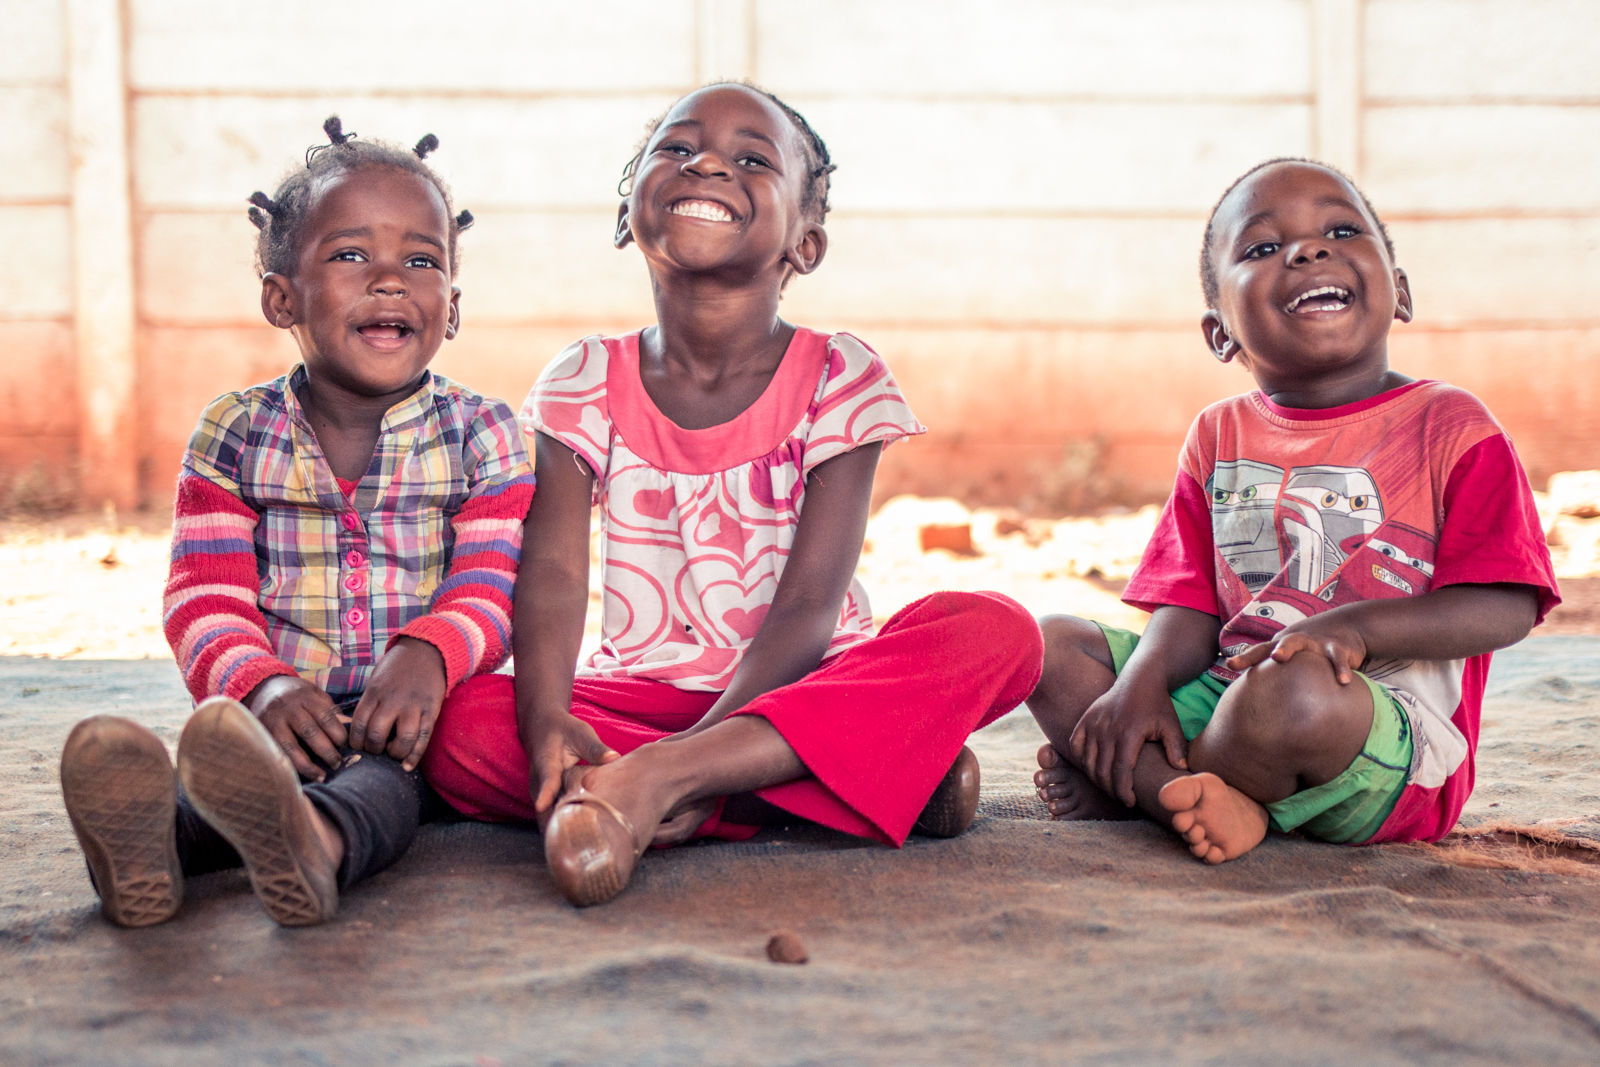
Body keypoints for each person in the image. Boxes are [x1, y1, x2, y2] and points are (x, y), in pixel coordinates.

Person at [420, 83, 1043, 906]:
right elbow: (558, 576)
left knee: (998, 631)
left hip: (807, 678)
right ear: (626, 212)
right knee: (461, 729)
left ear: (805, 245)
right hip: (643, 694)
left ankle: (656, 786)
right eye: (676, 150)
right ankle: (850, 778)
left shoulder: (839, 375)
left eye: (753, 159)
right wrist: (543, 720)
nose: (707, 161)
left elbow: (810, 601)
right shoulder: (580, 379)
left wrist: (696, 751)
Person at [58, 118, 535, 927]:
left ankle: (314, 843)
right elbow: (202, 600)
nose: (390, 281)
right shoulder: (234, 434)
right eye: (351, 255)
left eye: (421, 261)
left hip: (414, 728)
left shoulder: (483, 434)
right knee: (232, 781)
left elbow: (491, 587)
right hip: (277, 719)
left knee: (382, 790)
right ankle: (151, 846)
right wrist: (261, 684)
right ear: (283, 296)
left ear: (450, 307)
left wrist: (430, 651)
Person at [1025, 158, 1559, 864]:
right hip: (1228, 692)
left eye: (1341, 230)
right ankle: (1190, 796)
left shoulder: (1453, 427)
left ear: (1399, 292)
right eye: (1262, 248)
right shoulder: (1217, 435)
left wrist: (1351, 631)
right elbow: (1188, 606)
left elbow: (1504, 606)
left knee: (1290, 694)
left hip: (1371, 730)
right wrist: (1141, 683)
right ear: (1221, 335)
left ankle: (1144, 789)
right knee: (1049, 648)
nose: (1308, 250)